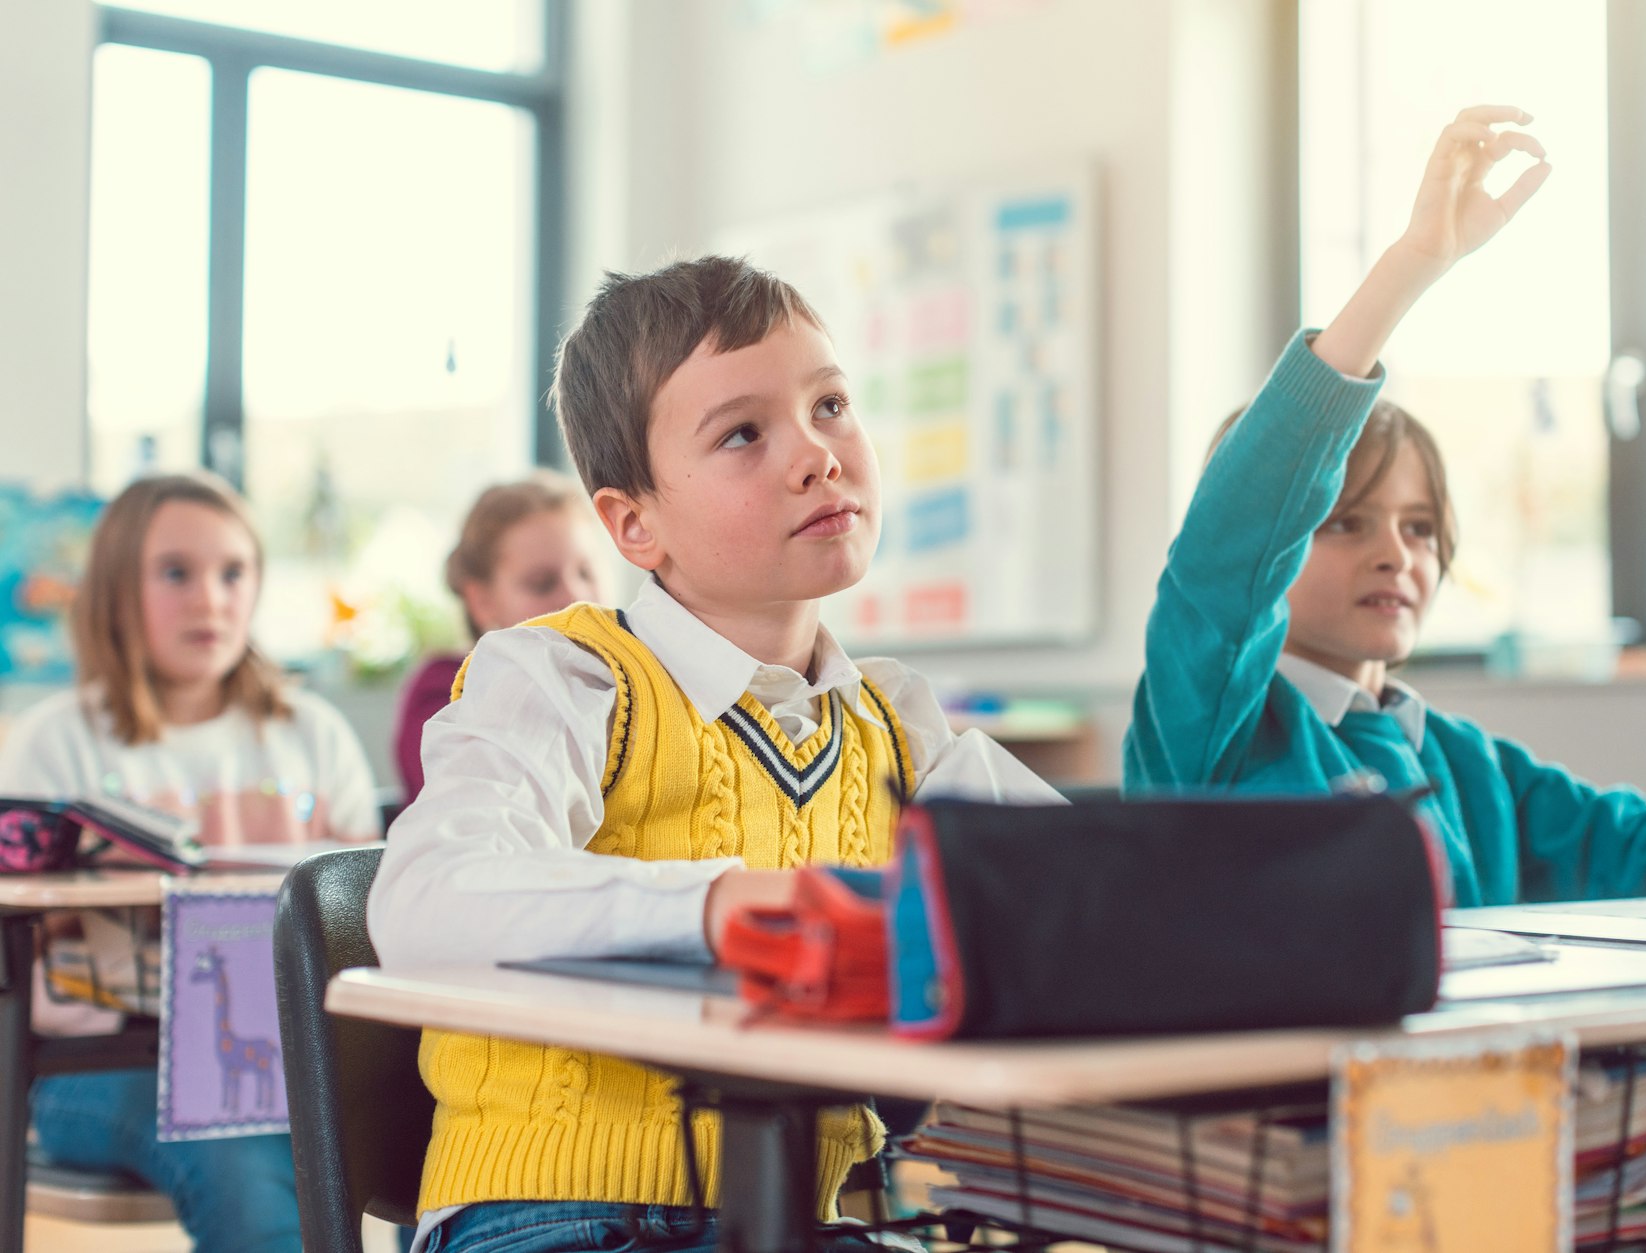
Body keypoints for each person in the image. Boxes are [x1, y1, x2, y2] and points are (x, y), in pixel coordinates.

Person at [368, 255, 1059, 1252]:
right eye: (743, 433)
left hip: (799, 1221)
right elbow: (423, 895)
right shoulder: (562, 677)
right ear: (633, 522)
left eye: (829, 404)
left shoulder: (896, 723)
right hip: (552, 1219)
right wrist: (721, 904)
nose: (816, 455)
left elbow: (1094, 893)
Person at [1124, 105, 1646, 909]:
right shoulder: (1211, 724)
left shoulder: (1466, 765)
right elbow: (1231, 541)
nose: (1394, 555)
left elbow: (1627, 840)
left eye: (1419, 528)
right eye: (1343, 521)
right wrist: (1410, 265)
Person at [0, 470, 381, 1253]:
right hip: (98, 1066)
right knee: (245, 1155)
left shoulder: (315, 732)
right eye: (176, 572)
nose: (210, 598)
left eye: (233, 572)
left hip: (295, 1056)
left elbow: (369, 915)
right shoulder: (54, 741)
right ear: (114, 587)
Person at [391, 472, 602, 803]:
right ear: (482, 601)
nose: (577, 596)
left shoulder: (620, 681)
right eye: (542, 583)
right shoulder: (441, 695)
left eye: (585, 573)